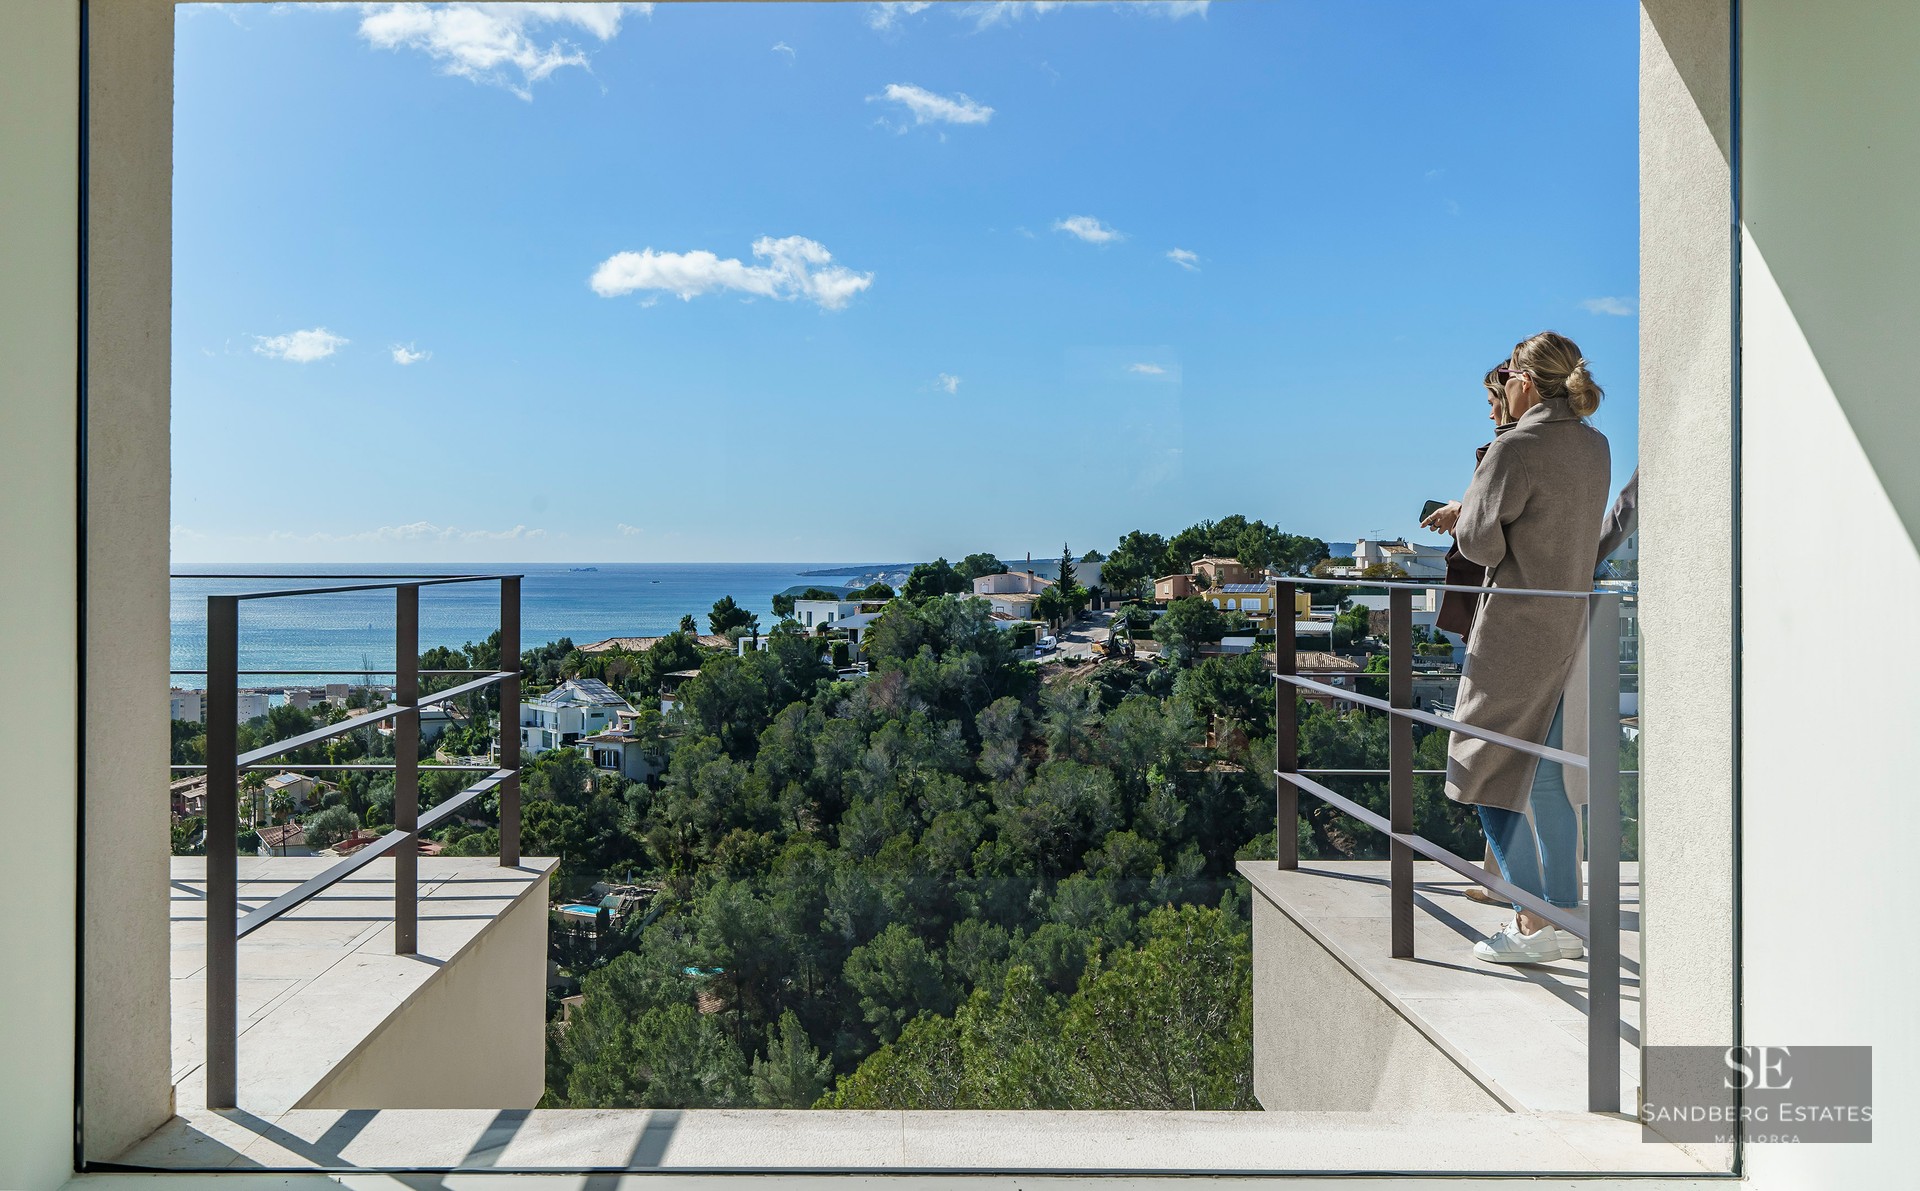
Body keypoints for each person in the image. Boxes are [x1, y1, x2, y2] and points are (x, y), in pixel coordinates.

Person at [1440, 332, 1612, 964]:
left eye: (1509, 373)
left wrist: (1468, 511)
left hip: (1513, 631)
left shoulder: (1515, 448)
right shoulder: (1596, 447)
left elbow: (1480, 545)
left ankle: (1533, 924)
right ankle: (1562, 911)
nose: (1504, 384)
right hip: (1567, 624)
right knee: (1542, 777)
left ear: (1526, 381)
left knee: (1478, 766)